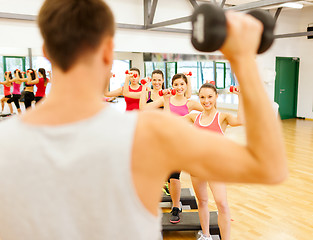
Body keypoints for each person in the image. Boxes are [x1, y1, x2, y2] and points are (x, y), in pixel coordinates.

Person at [0, 1, 287, 240]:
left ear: (46, 53)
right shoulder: (150, 133)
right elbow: (269, 166)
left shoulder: (4, 143)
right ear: (109, 51)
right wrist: (243, 59)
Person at [184, 83, 243, 240]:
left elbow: (240, 120)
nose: (206, 100)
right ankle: (206, 235)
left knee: (222, 203)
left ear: (217, 97)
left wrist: (240, 97)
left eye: (210, 96)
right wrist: (167, 98)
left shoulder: (222, 117)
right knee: (202, 201)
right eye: (202, 97)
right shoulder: (194, 117)